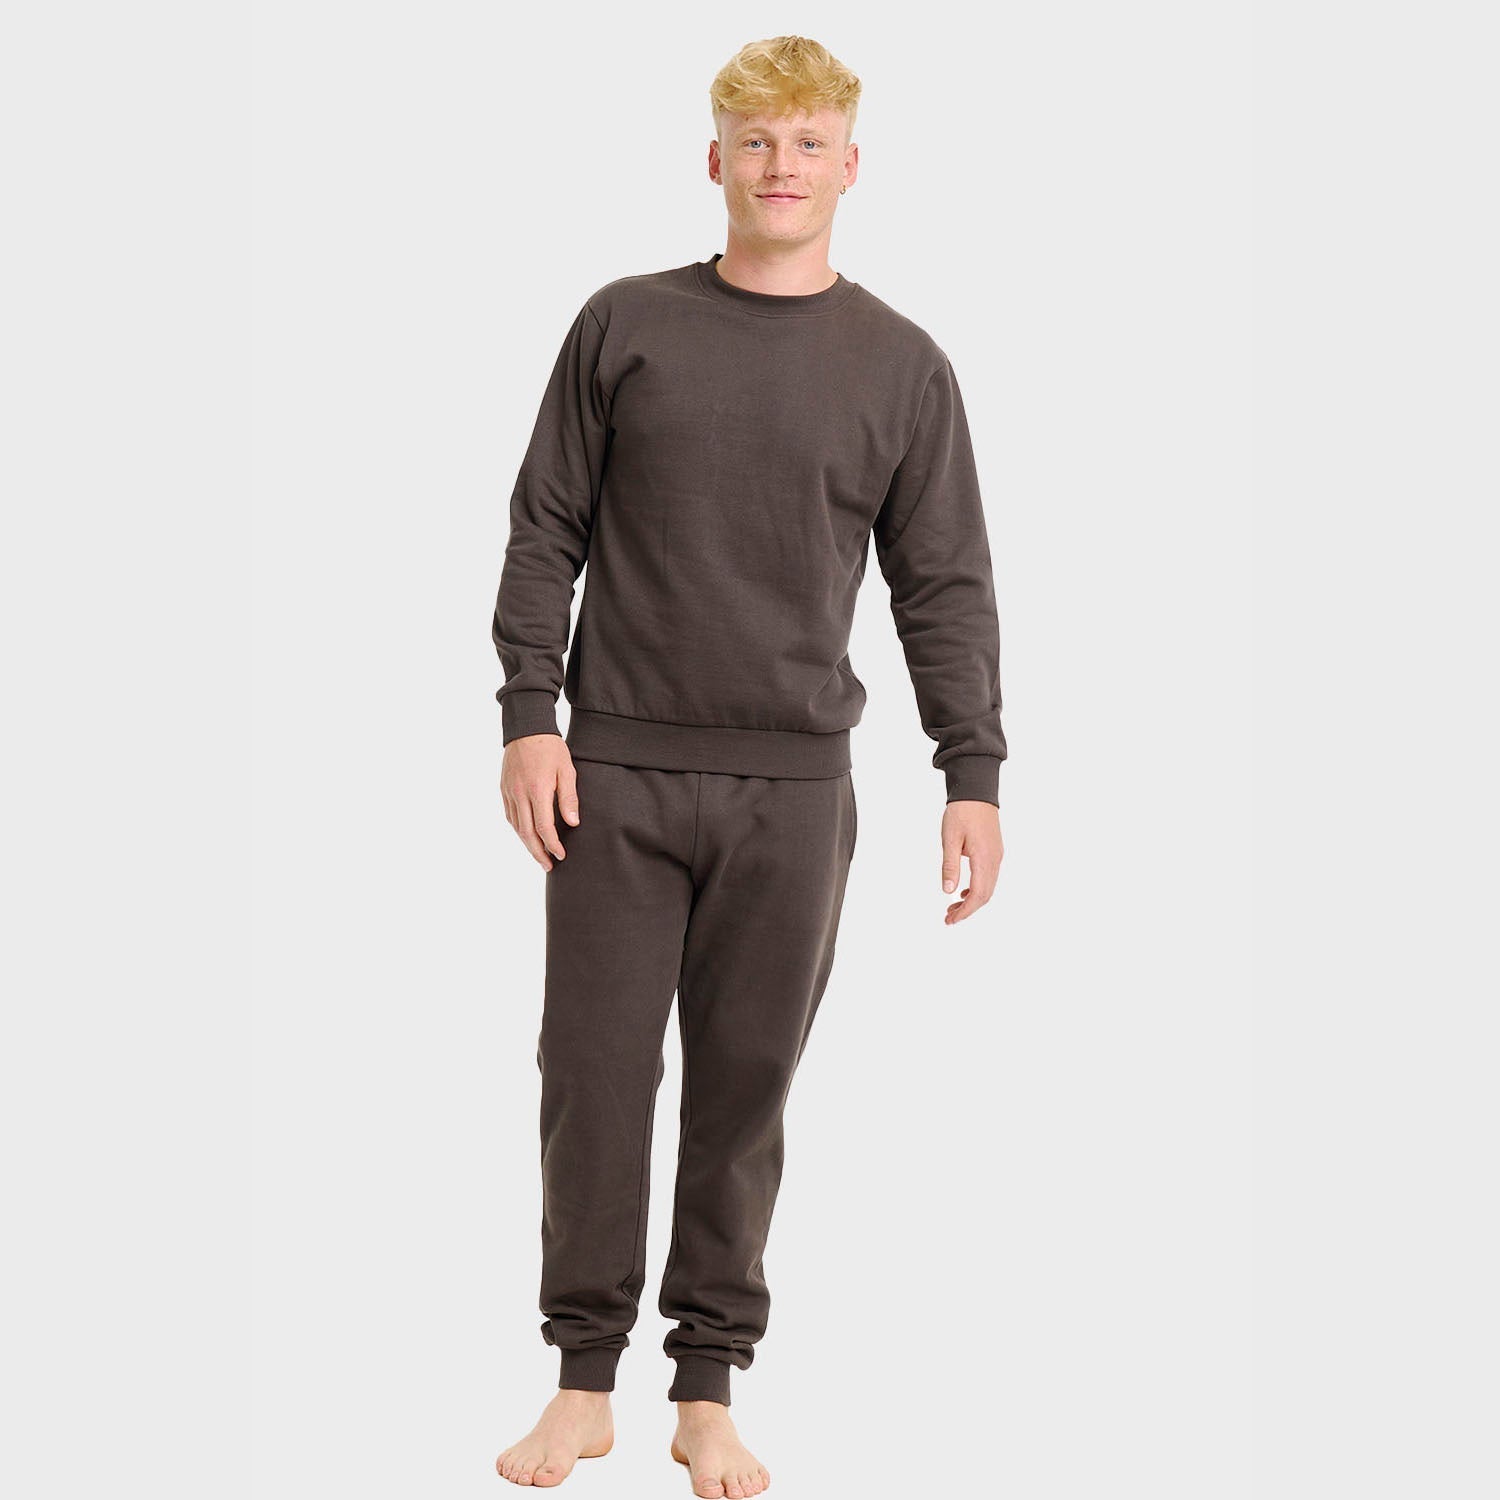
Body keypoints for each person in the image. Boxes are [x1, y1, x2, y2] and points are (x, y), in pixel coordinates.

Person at [490, 34, 1007, 1496]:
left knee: (744, 1090)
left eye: (809, 142)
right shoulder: (624, 325)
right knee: (593, 1077)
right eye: (758, 142)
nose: (783, 167)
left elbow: (943, 582)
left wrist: (971, 771)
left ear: (853, 163)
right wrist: (530, 713)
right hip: (614, 777)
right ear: (714, 159)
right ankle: (582, 1381)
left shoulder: (903, 366)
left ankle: (707, 1389)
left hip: (795, 792)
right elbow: (545, 527)